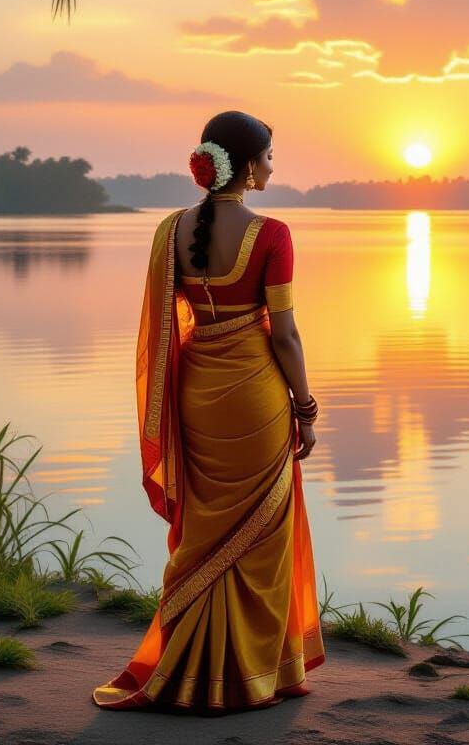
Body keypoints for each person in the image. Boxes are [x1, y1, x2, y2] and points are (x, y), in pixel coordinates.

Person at [92, 110, 325, 712]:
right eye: (270, 155)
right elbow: (286, 336)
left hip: (195, 393)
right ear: (247, 165)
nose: (273, 166)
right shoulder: (271, 234)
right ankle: (250, 672)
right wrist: (306, 408)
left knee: (203, 531)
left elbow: (167, 325)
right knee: (262, 535)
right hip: (255, 395)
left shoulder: (170, 231)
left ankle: (196, 666)